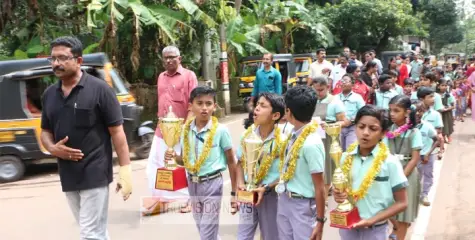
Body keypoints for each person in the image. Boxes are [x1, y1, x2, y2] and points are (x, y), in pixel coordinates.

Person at [40, 36, 132, 239]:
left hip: (95, 171)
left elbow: (117, 132)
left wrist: (125, 170)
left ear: (79, 60)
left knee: (90, 233)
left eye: (63, 58)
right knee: (94, 229)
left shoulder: (100, 90)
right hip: (68, 174)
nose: (57, 63)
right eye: (53, 59)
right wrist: (52, 149)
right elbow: (45, 131)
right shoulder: (49, 95)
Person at [166, 86, 238, 240]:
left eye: (208, 103)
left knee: (207, 232)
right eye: (199, 103)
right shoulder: (185, 130)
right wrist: (173, 157)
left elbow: (232, 162)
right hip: (193, 184)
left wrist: (234, 192)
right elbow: (184, 161)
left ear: (215, 106)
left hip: (213, 184)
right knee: (203, 228)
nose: (204, 108)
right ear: (190, 106)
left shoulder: (220, 130)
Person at [334, 105, 408, 240]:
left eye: (373, 129)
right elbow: (342, 190)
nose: (365, 133)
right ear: (355, 127)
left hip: (375, 230)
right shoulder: (345, 157)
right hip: (348, 227)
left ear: (383, 133)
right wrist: (338, 195)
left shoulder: (389, 162)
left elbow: (402, 203)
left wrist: (372, 220)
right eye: (361, 127)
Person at [144, 46, 197, 215]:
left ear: (179, 58)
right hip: (162, 130)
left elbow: (193, 103)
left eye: (172, 57)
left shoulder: (189, 76)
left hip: (182, 130)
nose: (168, 60)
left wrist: (186, 128)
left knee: (185, 165)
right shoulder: (161, 77)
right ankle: (162, 200)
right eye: (165, 57)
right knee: (155, 165)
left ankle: (191, 200)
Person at [277, 85, 326, 240]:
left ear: (288, 111)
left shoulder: (311, 143)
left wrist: (319, 221)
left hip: (303, 205)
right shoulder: (292, 135)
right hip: (285, 199)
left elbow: (320, 186)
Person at [236, 93, 285, 240]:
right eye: (257, 105)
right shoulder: (246, 136)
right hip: (248, 194)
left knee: (271, 235)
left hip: (270, 196)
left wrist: (268, 187)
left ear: (275, 115)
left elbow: (287, 172)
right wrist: (240, 184)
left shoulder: (283, 140)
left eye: (263, 106)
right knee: (243, 236)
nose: (256, 109)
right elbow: (240, 163)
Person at [385, 95, 423, 240]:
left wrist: (400, 178)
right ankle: (395, 228)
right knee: (386, 207)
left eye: (396, 110)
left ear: (407, 112)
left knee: (403, 215)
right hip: (389, 172)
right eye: (390, 110)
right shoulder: (387, 130)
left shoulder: (414, 132)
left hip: (407, 174)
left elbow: (414, 159)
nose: (392, 114)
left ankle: (400, 235)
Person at [311, 76, 348, 200]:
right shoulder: (312, 100)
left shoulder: (335, 102)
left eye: (321, 90)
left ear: (328, 87)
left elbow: (344, 122)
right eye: (316, 90)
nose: (318, 93)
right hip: (313, 136)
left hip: (329, 138)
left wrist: (330, 126)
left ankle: (324, 200)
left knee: (326, 170)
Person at [414, 101, 440, 207]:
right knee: (416, 176)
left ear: (423, 112)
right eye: (415, 111)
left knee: (428, 175)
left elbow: (437, 140)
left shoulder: (427, 126)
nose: (418, 113)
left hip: (427, 155)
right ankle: (415, 194)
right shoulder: (408, 127)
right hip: (415, 156)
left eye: (420, 111)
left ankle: (424, 195)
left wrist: (428, 153)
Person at [246, 53, 282, 129]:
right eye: (264, 59)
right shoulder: (258, 72)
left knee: (270, 119)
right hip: (260, 100)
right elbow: (255, 87)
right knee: (256, 117)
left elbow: (278, 90)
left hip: (271, 101)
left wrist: (278, 103)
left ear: (271, 61)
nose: (265, 61)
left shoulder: (276, 73)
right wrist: (251, 101)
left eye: (267, 59)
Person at [337, 74, 365, 151]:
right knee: (339, 151)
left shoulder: (357, 97)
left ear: (352, 84)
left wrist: (352, 120)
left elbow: (363, 112)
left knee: (350, 150)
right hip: (339, 128)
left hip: (352, 127)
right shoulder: (336, 97)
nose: (343, 83)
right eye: (342, 81)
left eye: (345, 81)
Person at [417, 87, 445, 160]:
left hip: (429, 151)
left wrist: (428, 153)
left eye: (433, 96)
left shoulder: (436, 115)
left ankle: (440, 151)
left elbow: (438, 133)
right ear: (421, 99)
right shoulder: (414, 113)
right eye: (430, 97)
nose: (433, 99)